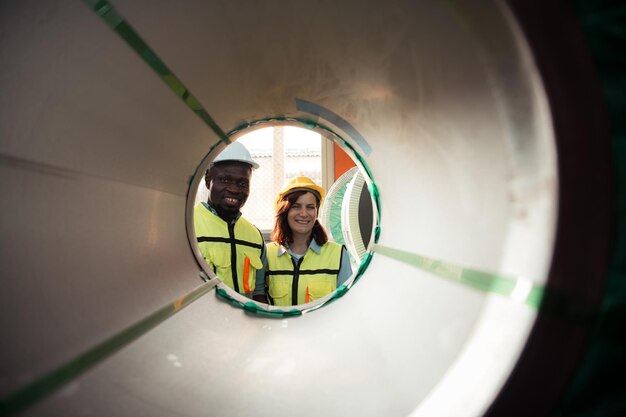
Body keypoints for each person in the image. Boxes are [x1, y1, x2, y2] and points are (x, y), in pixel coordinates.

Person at [261, 176, 353, 306]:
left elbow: (346, 305)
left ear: (316, 212)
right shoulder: (267, 254)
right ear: (285, 211)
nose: (304, 214)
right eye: (296, 206)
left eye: (310, 207)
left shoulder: (338, 254)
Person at [194, 141, 266, 300]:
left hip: (244, 323)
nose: (234, 189)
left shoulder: (254, 236)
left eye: (242, 183)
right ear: (207, 180)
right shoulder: (188, 228)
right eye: (225, 180)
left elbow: (259, 291)